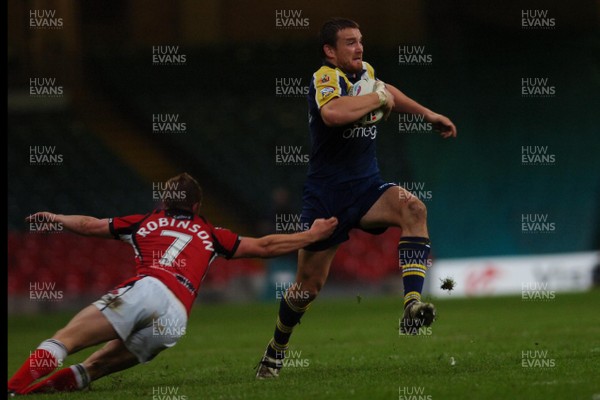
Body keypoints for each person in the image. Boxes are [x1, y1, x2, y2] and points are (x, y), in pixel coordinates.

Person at [7, 172, 338, 395]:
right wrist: (312, 235)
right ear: (196, 207)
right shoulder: (211, 233)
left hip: (148, 288)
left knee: (65, 340)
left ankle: (14, 387)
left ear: (164, 202)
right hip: (176, 317)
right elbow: (266, 247)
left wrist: (58, 219)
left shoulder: (144, 222)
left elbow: (90, 225)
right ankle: (45, 389)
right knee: (96, 366)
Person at [255, 18, 457, 378]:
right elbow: (332, 115)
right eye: (349, 42)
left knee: (414, 207)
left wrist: (427, 114)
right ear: (329, 51)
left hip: (367, 190)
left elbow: (385, 88)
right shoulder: (324, 77)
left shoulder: (365, 73)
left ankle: (411, 304)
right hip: (326, 199)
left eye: (360, 41)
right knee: (307, 288)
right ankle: (276, 349)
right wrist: (377, 99)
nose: (359, 48)